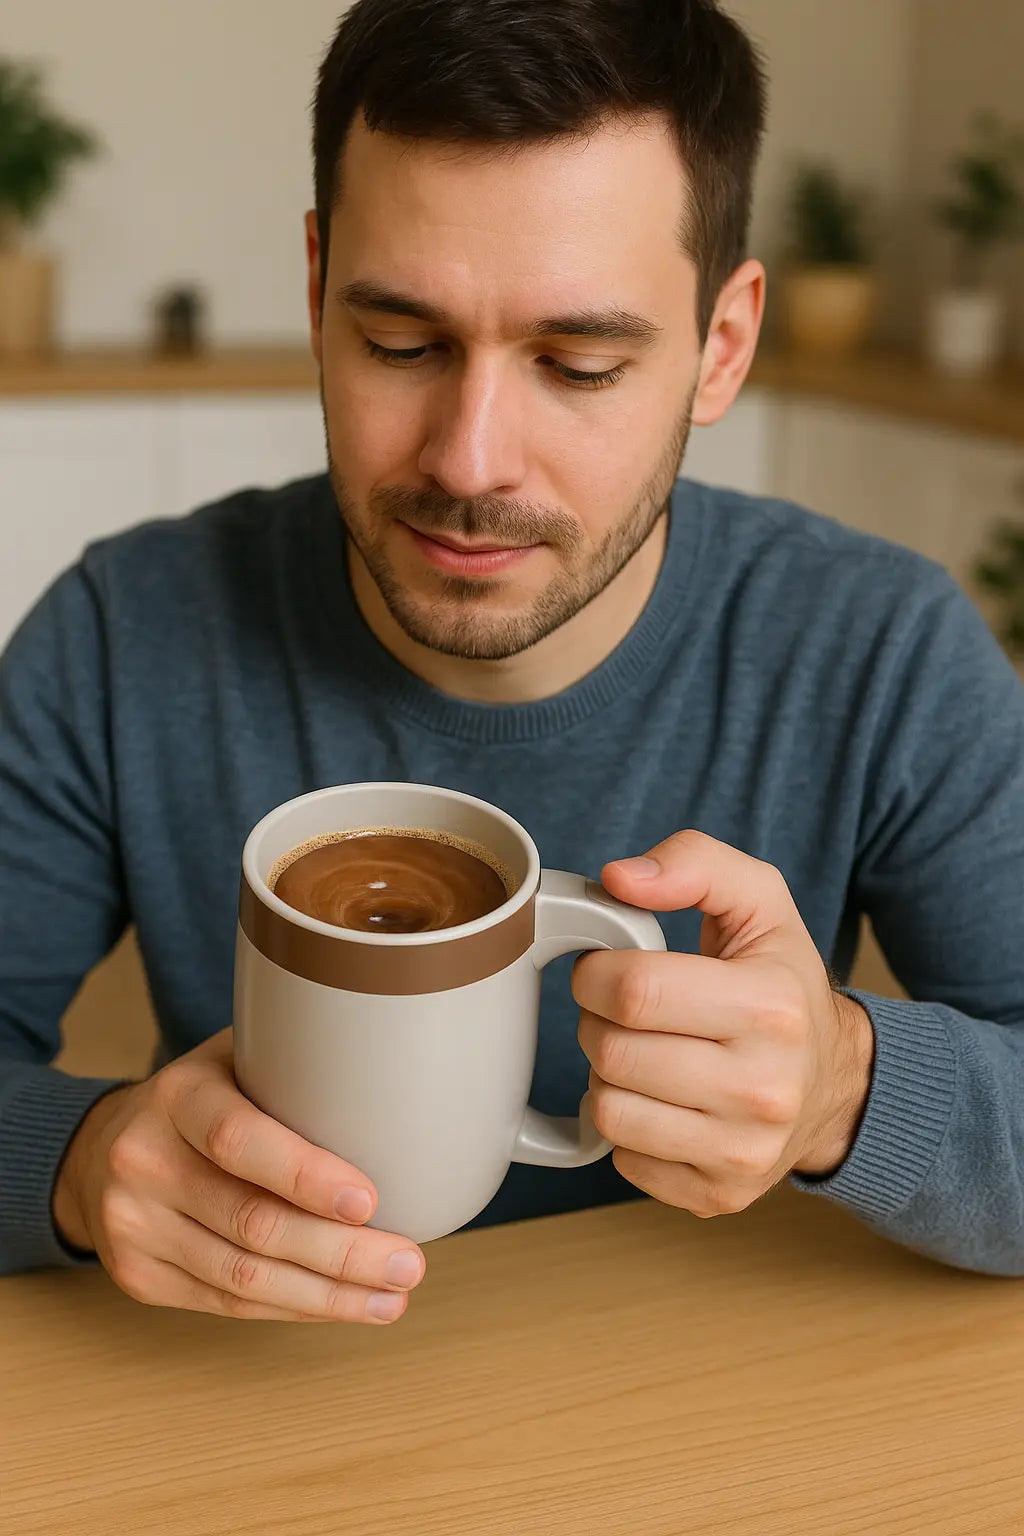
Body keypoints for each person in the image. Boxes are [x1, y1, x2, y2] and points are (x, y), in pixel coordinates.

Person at [2, 0, 1022, 1322]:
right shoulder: (118, 633)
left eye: (579, 363)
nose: (470, 460)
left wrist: (847, 1083)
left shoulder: (883, 653)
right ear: (314, 293)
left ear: (721, 347)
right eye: (401, 344)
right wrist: (81, 1165)